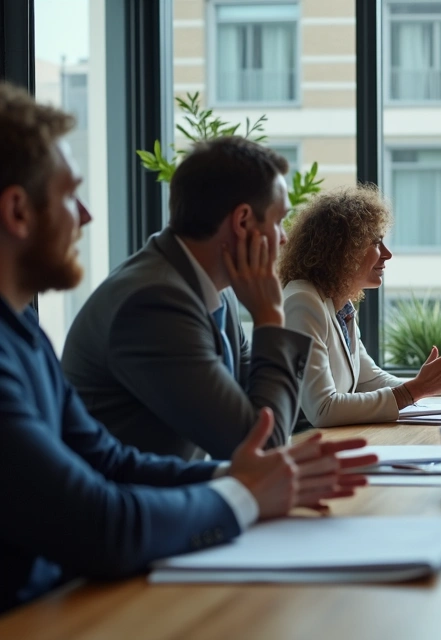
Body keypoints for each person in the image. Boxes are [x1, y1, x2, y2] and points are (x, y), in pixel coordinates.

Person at [0, 82, 374, 614]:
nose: (84, 215)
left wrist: (244, 478)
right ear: (17, 211)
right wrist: (246, 490)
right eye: (68, 194)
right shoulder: (152, 300)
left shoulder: (25, 331)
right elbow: (252, 439)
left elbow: (110, 460)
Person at [62, 136, 312, 460]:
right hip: (135, 506)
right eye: (278, 221)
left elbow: (261, 404)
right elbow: (260, 446)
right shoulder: (154, 304)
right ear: (243, 221)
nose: (284, 237)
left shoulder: (218, 290)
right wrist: (270, 317)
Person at [279, 185, 441, 428]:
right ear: (342, 250)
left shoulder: (338, 304)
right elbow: (323, 409)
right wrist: (417, 388)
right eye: (376, 243)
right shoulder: (302, 302)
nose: (387, 254)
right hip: (298, 452)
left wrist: (423, 386)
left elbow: (368, 380)